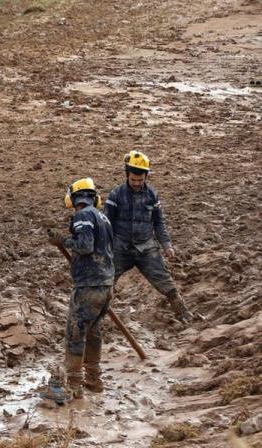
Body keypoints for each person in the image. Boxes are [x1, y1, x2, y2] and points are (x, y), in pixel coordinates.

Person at [104, 151, 192, 323]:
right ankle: (99, 318)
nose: (137, 183)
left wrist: (167, 245)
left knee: (166, 282)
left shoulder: (152, 195)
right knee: (105, 283)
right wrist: (103, 247)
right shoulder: (115, 195)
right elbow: (106, 223)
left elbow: (159, 222)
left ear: (146, 176)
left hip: (146, 247)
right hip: (120, 246)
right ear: (127, 175)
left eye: (140, 180)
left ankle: (183, 314)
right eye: (133, 180)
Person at [48, 178, 114, 397]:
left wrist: (64, 241)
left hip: (88, 285)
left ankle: (74, 386)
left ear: (74, 197)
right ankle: (94, 381)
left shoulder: (83, 215)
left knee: (75, 333)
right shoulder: (102, 216)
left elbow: (85, 246)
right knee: (93, 332)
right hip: (105, 284)